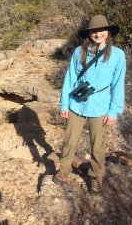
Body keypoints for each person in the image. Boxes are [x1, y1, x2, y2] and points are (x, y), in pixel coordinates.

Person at [53, 15, 126, 194]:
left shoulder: (117, 55)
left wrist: (114, 111)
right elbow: (69, 78)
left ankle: (96, 176)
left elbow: (118, 84)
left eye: (101, 30)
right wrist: (64, 104)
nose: (98, 33)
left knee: (98, 145)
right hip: (76, 104)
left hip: (101, 106)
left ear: (108, 32)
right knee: (70, 141)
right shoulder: (79, 51)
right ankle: (64, 170)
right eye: (94, 31)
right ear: (89, 33)